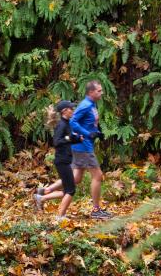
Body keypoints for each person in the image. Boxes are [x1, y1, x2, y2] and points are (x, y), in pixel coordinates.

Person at [34, 80, 111, 219]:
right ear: (91, 92)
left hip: (82, 145)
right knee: (97, 176)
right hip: (83, 147)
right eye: (99, 91)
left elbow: (85, 123)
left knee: (75, 178)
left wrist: (97, 132)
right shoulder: (85, 105)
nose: (102, 93)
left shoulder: (92, 104)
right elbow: (74, 121)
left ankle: (44, 193)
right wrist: (87, 134)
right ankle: (96, 210)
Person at [32, 100, 82, 222]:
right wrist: (69, 138)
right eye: (71, 108)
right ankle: (60, 216)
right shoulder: (61, 125)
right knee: (70, 190)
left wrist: (77, 139)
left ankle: (40, 197)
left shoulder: (67, 124)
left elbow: (68, 138)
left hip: (66, 160)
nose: (73, 110)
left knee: (67, 190)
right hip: (62, 161)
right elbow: (57, 141)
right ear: (65, 111)